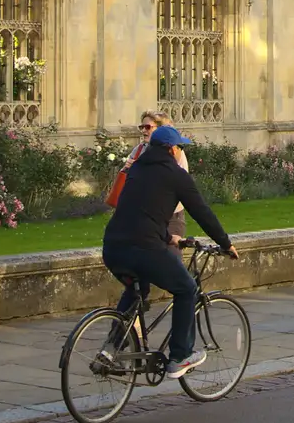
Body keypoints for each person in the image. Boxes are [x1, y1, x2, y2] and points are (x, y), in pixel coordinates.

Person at [102, 125, 237, 379]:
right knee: (186, 288)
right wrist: (226, 243)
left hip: (113, 247)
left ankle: (112, 348)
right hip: (144, 250)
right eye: (179, 147)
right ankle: (180, 356)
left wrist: (168, 237)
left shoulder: (137, 169)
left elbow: (140, 211)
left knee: (136, 290)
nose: (179, 151)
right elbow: (202, 212)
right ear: (171, 149)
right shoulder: (176, 175)